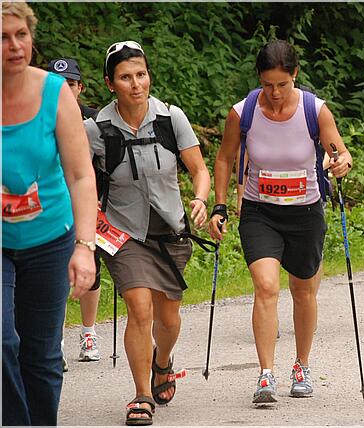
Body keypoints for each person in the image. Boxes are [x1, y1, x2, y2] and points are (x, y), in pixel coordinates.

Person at [208, 39, 353, 404]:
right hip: (260, 211)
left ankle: (301, 365)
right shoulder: (242, 113)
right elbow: (225, 159)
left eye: (282, 84)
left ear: (295, 76)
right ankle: (266, 373)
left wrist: (341, 162)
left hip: (305, 212)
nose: (274, 93)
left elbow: (340, 151)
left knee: (303, 291)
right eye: (267, 84)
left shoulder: (314, 111)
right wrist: (220, 205)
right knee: (266, 286)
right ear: (259, 79)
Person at [84, 40, 210, 425]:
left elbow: (198, 170)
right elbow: (81, 181)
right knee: (139, 309)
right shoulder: (96, 130)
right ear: (110, 83)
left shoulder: (171, 119)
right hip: (124, 235)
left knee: (168, 318)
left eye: (141, 74)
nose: (136, 84)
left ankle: (163, 360)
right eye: (125, 77)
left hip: (171, 231)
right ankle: (141, 395)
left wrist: (202, 199)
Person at [2, 2, 98, 425]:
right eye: (3, 37)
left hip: (50, 239)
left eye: (21, 35)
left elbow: (80, 175)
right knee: (2, 341)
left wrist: (84, 246)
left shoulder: (55, 93)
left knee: (41, 353)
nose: (14, 45)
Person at [48, 57, 102, 368]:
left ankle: (88, 332)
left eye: (70, 84)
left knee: (88, 269)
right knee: (54, 273)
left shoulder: (95, 122)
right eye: (58, 85)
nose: (65, 91)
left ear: (80, 87)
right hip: (52, 206)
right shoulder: (39, 117)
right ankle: (55, 339)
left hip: (87, 206)